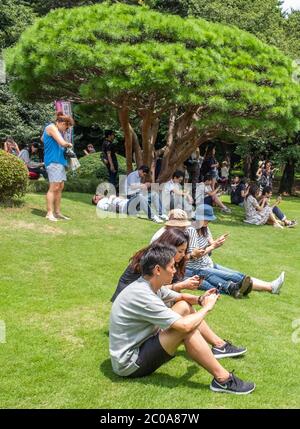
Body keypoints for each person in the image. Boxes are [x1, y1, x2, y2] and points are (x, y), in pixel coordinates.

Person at [109, 243, 255, 394]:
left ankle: (219, 346)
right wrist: (207, 307)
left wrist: (200, 299)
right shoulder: (143, 295)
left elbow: (181, 297)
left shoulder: (149, 285)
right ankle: (223, 379)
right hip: (129, 364)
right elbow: (184, 327)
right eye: (172, 267)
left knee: (183, 306)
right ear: (158, 270)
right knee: (188, 330)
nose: (174, 271)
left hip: (141, 343)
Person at [185, 204, 285, 296]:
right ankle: (270, 287)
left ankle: (269, 285)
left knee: (239, 275)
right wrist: (213, 246)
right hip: (199, 268)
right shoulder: (192, 230)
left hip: (208, 263)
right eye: (207, 219)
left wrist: (218, 242)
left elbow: (211, 242)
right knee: (234, 277)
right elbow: (195, 255)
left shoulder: (204, 227)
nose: (209, 221)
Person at [111, 228, 204, 302]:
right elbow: (152, 290)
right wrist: (181, 285)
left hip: (143, 299)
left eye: (185, 251)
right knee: (182, 306)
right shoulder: (152, 260)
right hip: (130, 301)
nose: (183, 255)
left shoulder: (169, 261)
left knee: (182, 304)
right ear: (169, 246)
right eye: (180, 251)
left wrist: (185, 283)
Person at [41, 112, 74, 222]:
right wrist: (68, 144)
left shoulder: (56, 130)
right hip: (53, 161)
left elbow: (42, 139)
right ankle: (49, 213)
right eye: (66, 127)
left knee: (59, 187)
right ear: (62, 123)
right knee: (54, 187)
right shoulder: (51, 127)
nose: (66, 130)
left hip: (59, 161)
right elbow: (62, 142)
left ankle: (58, 212)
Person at [92, 192, 162, 224]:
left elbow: (120, 199)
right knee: (140, 196)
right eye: (96, 195)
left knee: (153, 194)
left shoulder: (106, 198)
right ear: (96, 201)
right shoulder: (99, 204)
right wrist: (111, 198)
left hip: (129, 203)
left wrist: (116, 197)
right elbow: (108, 208)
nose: (98, 194)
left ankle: (161, 214)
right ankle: (153, 217)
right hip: (125, 208)